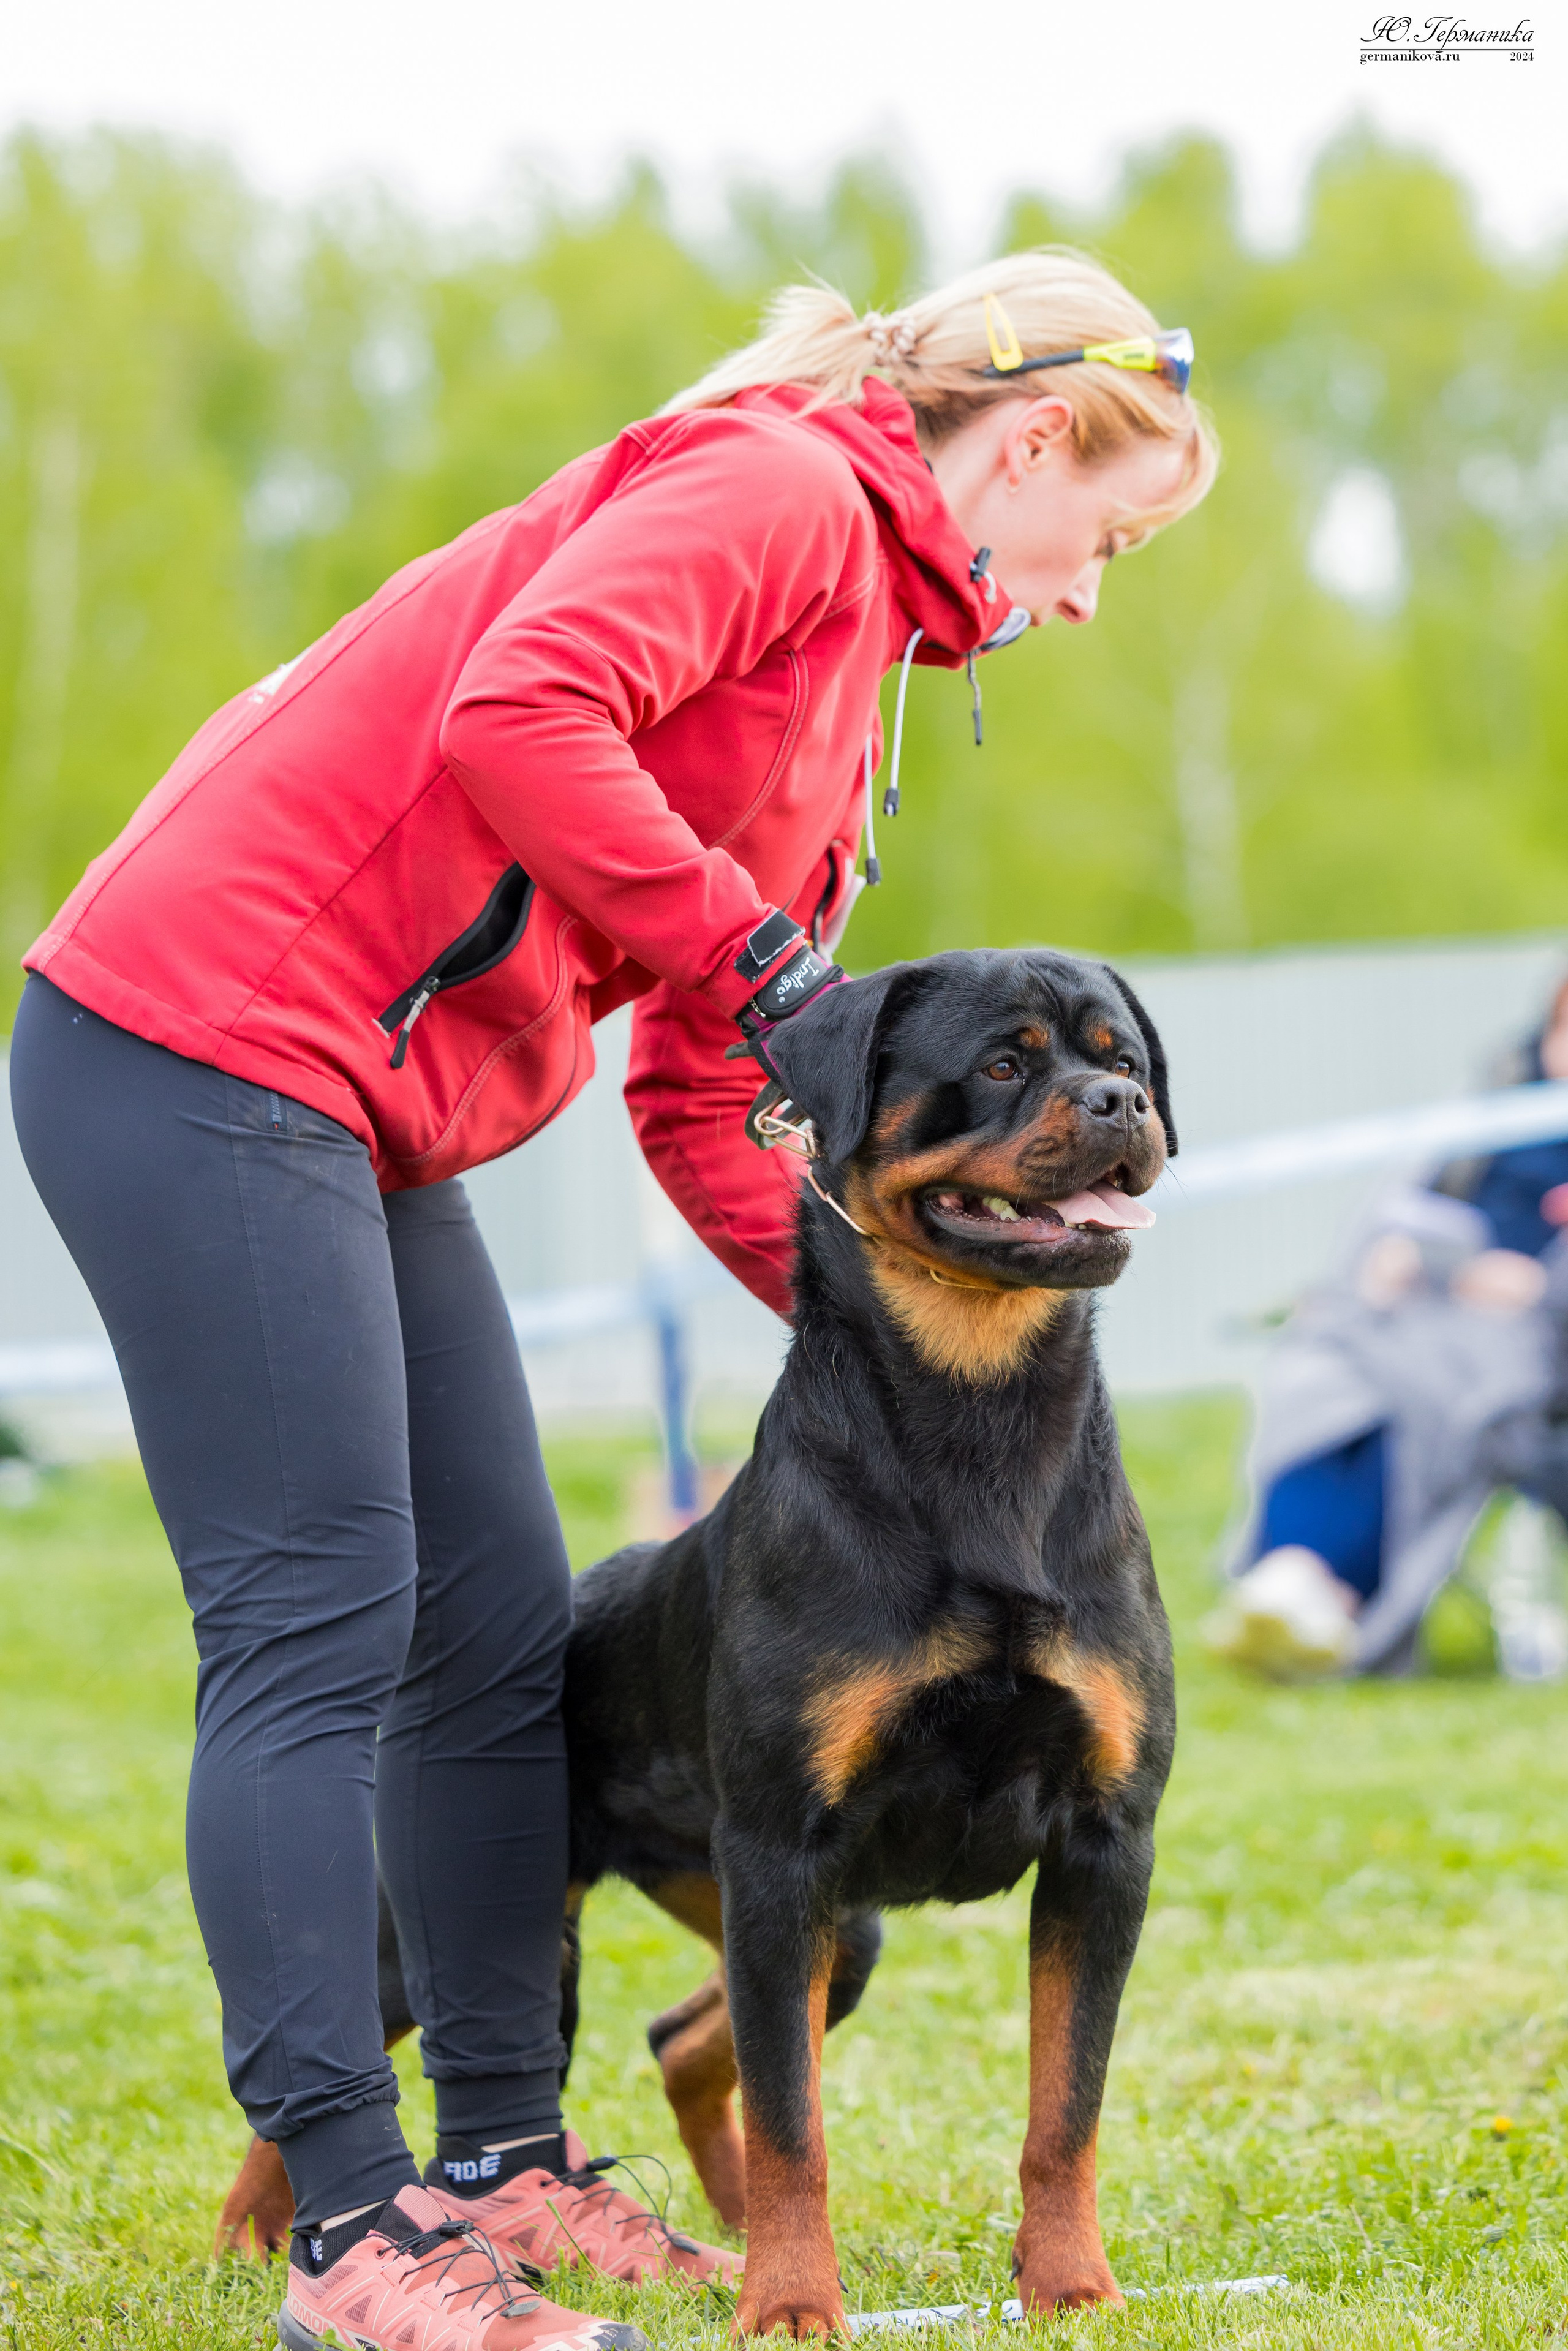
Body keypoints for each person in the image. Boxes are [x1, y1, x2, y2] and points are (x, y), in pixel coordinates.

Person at [9, 251, 1215, 2349]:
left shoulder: (858, 699)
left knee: (491, 1627)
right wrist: (757, 956)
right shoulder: (777, 494)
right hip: (204, 1030)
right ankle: (353, 2234)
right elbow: (519, 705)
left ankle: (504, 2155)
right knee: (320, 1618)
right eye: (1105, 535)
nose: (1092, 592)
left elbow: (702, 1080)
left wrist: (881, 1342)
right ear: (1028, 442)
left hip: (364, 1099)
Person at [1208, 976, 1568, 1683]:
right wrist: (1390, 1261)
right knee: (1323, 1369)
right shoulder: (1485, 1123)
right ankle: (1296, 1575)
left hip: (1522, 1347)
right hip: (1409, 1315)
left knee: (1420, 1392)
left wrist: (1535, 1287)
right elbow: (1392, 1213)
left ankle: (1322, 1589)